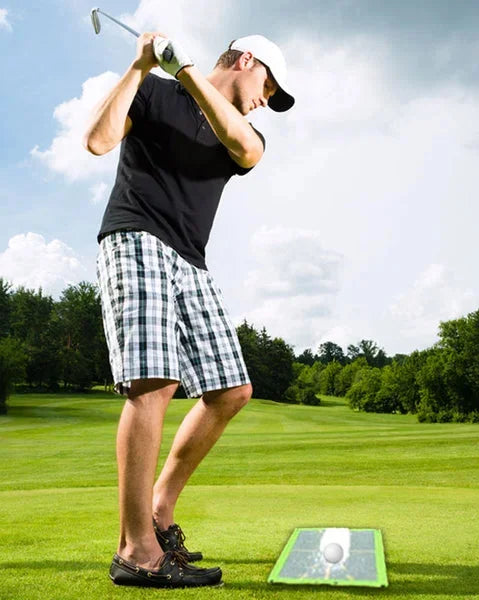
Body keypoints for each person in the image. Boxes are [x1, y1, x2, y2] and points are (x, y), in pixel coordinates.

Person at [83, 31, 294, 588]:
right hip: (135, 238)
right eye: (267, 84)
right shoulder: (153, 92)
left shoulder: (245, 132)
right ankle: (136, 552)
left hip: (190, 260)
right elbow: (99, 142)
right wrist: (139, 68)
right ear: (246, 60)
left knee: (231, 390)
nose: (265, 99)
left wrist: (185, 70)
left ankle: (159, 512)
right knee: (154, 383)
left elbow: (244, 148)